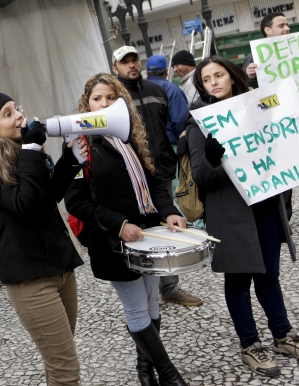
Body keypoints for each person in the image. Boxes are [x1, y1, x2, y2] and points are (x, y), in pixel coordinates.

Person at [185, 56, 299, 377]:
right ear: (202, 87)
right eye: (206, 79)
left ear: (233, 76)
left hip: (265, 205)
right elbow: (201, 175)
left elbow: (283, 144)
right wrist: (213, 159)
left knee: (269, 276)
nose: (213, 82)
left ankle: (282, 335)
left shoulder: (260, 106)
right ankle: (250, 344)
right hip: (231, 215)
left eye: (219, 75)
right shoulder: (199, 123)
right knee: (238, 282)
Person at [64, 73, 190, 386]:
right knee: (137, 308)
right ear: (87, 104)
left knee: (151, 304)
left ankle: (145, 372)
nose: (103, 103)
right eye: (97, 98)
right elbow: (75, 202)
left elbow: (155, 181)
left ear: (120, 102)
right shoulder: (80, 144)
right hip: (113, 241)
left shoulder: (129, 135)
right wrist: (119, 225)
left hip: (145, 236)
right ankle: (169, 375)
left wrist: (170, 211)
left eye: (110, 97)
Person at [0, 93, 85, 386]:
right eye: (7, 114)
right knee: (66, 370)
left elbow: (47, 198)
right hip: (31, 279)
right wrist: (32, 147)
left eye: (16, 108)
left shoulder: (21, 151)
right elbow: (25, 203)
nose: (19, 115)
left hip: (59, 266)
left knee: (58, 361)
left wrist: (70, 159)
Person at [111, 46, 202, 307]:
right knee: (142, 229)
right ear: (115, 68)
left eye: (134, 59)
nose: (131, 65)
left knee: (166, 224)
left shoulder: (157, 90)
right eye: (124, 62)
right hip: (132, 174)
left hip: (160, 170)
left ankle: (169, 286)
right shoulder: (114, 96)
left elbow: (168, 126)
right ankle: (142, 290)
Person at [243, 13, 299, 220]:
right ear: (267, 30)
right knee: (282, 178)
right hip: (276, 129)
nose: (287, 28)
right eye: (282, 25)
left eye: (288, 24)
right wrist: (250, 77)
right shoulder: (253, 59)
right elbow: (254, 102)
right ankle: (282, 220)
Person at [143, 55, 188, 146]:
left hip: (147, 147)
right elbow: (180, 121)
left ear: (147, 72)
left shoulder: (138, 90)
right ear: (167, 71)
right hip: (172, 145)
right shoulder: (172, 90)